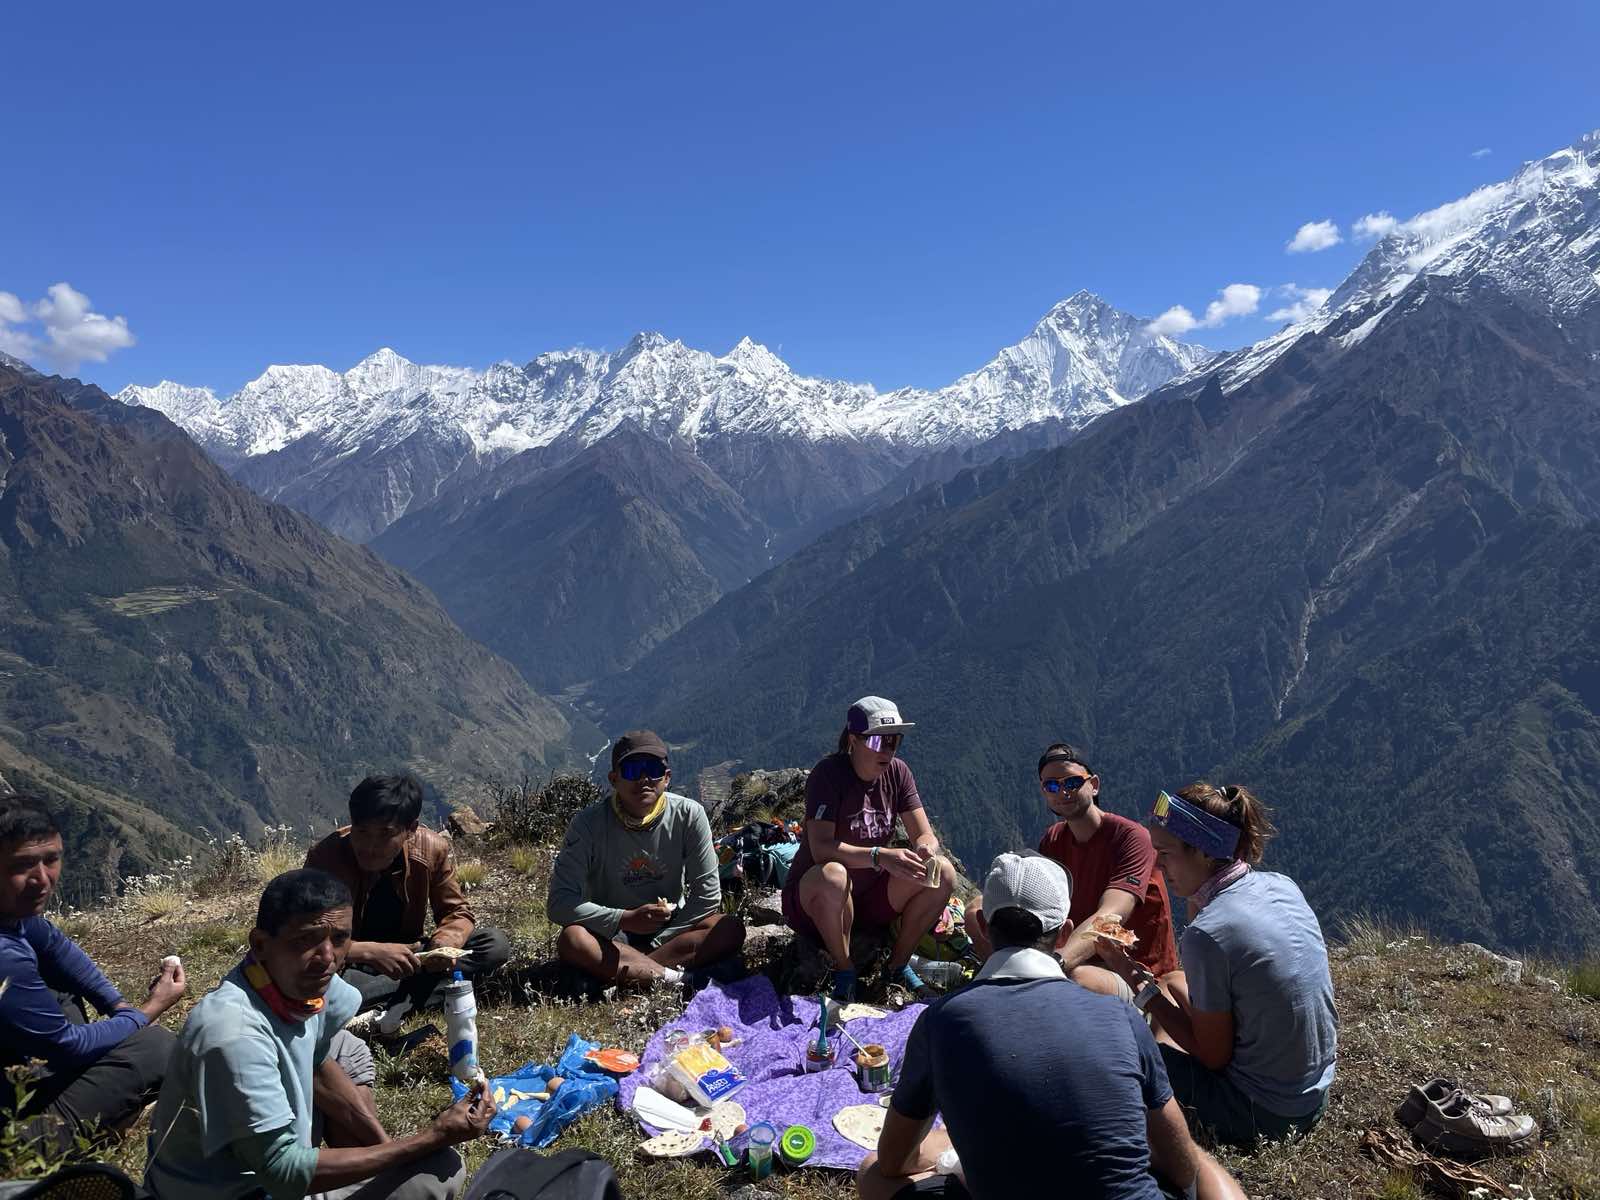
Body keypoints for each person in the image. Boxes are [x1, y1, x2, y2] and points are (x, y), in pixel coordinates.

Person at [857, 852, 1245, 1200]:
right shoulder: (1120, 1016)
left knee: (872, 1175)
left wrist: (953, 1146)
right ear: (1064, 932)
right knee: (1196, 1157)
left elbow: (893, 1162)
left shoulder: (940, 1021)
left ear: (983, 926)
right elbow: (1181, 1167)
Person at [145, 869, 493, 1200]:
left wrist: (388, 1150)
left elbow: (317, 1060)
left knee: (346, 1049)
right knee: (439, 1168)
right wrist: (431, 1138)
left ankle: (360, 1163)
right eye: (305, 940)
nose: (327, 957)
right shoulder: (233, 1037)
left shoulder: (291, 983)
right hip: (238, 1191)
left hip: (263, 1170)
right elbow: (282, 1172)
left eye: (340, 938)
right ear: (260, 944)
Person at [1097, 784, 1338, 1148]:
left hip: (1263, 1113)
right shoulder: (1280, 885)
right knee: (1173, 981)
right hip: (1312, 1094)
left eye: (1165, 853)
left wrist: (1134, 979)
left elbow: (1213, 1058)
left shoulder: (1208, 936)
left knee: (1116, 1045)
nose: (1157, 865)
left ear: (1204, 852)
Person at [0, 797, 183, 1151]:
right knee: (157, 1048)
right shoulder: (5, 957)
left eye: (51, 859)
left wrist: (118, 1006)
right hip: (10, 1138)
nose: (42, 879)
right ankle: (53, 1143)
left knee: (60, 988)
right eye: (22, 866)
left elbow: (55, 947)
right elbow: (67, 1045)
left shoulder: (13, 914)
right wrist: (147, 1010)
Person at [967, 743, 1177, 998]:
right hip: (1073, 959)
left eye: (1073, 782)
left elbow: (1111, 916)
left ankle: (1018, 990)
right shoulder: (1053, 839)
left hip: (1134, 972)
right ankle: (1004, 987)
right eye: (1052, 786)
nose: (1063, 792)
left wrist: (1055, 963)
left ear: (1094, 784)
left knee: (1081, 978)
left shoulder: (1131, 838)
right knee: (976, 911)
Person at [305, 773, 511, 1033]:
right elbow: (309, 935)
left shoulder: (431, 850)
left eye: (385, 834)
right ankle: (421, 996)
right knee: (320, 985)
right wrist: (369, 952)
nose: (370, 846)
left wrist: (445, 943)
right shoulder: (326, 859)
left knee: (493, 944)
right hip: (349, 963)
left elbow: (457, 912)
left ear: (411, 830)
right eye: (362, 831)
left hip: (411, 958)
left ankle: (384, 1003)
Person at [780, 697, 954, 1001]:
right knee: (833, 876)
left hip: (868, 898)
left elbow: (923, 833)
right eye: (877, 740)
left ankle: (896, 966)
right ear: (853, 740)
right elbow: (821, 849)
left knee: (943, 873)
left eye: (894, 740)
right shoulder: (828, 775)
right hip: (815, 900)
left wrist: (925, 848)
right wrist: (879, 856)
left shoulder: (898, 773)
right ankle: (844, 970)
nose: (887, 749)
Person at [548, 731, 744, 988]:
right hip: (612, 933)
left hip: (672, 929)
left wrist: (657, 941)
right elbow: (559, 903)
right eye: (632, 771)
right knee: (573, 939)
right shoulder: (588, 824)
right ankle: (676, 978)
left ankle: (630, 973)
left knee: (729, 928)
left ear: (666, 778)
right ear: (614, 779)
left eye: (653, 770)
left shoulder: (689, 815)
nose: (644, 779)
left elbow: (707, 896)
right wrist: (625, 918)